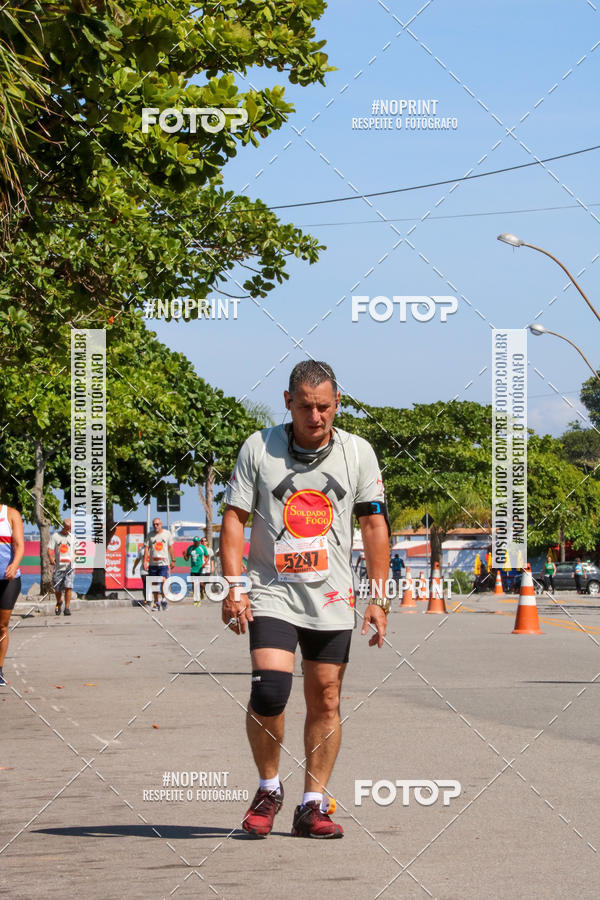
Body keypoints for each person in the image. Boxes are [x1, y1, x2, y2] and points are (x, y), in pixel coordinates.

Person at [220, 360, 390, 839]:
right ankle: (269, 788)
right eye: (306, 407)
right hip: (272, 592)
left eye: (324, 407)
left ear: (337, 403)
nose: (315, 418)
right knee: (269, 692)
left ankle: (312, 804)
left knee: (327, 698)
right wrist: (235, 587)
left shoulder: (357, 453)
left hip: (332, 596)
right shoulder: (260, 447)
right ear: (288, 402)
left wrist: (379, 599)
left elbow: (374, 525)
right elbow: (233, 518)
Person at [0, 501, 24, 686]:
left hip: (8, 579)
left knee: (2, 626)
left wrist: (14, 565)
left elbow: (19, 544)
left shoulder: (11, 514)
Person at [143, 517, 175, 610]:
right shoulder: (150, 535)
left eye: (157, 524)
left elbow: (170, 547)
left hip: (163, 564)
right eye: (154, 524)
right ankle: (156, 602)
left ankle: (164, 600)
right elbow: (146, 548)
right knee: (154, 584)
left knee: (164, 581)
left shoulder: (167, 534)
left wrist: (173, 560)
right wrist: (145, 561)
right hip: (153, 564)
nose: (155, 526)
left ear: (161, 524)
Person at [48, 518, 74, 616]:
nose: (69, 530)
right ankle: (59, 602)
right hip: (59, 567)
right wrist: (51, 558)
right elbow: (50, 549)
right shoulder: (55, 536)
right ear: (63, 526)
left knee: (68, 586)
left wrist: (75, 557)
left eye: (70, 528)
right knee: (57, 588)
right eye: (67, 528)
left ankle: (67, 608)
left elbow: (76, 549)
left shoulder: (73, 537)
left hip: (70, 567)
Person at [183, 536, 207, 605]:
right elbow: (187, 559)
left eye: (197, 542)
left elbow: (207, 556)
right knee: (194, 584)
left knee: (201, 584)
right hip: (193, 569)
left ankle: (202, 591)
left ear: (199, 542)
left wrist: (204, 563)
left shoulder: (202, 548)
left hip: (200, 568)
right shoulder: (190, 548)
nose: (196, 543)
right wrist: (184, 555)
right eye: (194, 542)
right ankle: (196, 599)